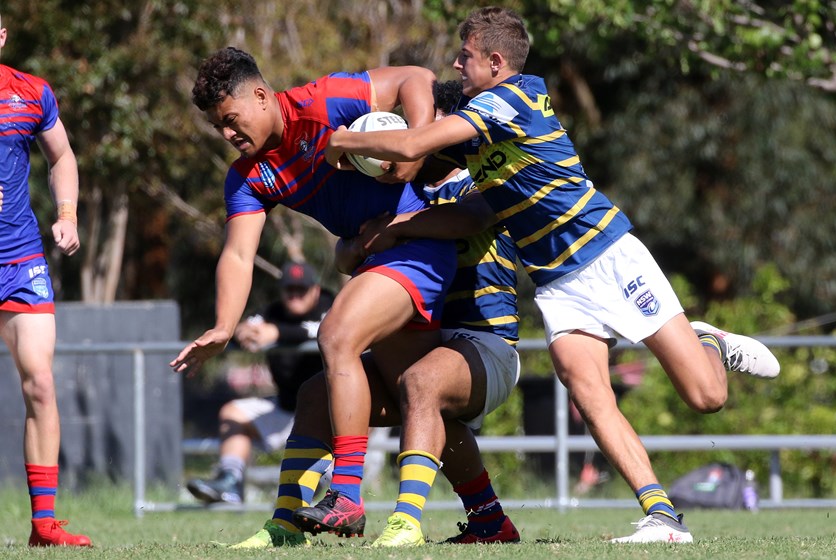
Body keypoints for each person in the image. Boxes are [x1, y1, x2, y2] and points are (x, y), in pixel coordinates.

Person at [324, 6, 781, 544]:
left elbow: (410, 145)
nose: (456, 64)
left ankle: (708, 343)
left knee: (706, 397)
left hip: (606, 255)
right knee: (588, 393)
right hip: (557, 284)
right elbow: (415, 160)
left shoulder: (512, 98)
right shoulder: (478, 127)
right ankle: (662, 517)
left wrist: (342, 141)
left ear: (497, 62)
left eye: (465, 56)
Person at [170, 47, 457, 537]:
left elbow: (415, 76)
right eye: (218, 127)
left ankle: (346, 496)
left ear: (262, 96)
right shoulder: (247, 177)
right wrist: (222, 326)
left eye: (231, 120)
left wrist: (415, 145)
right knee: (331, 395)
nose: (227, 135)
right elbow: (238, 255)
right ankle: (285, 526)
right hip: (373, 263)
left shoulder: (321, 102)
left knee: (336, 336)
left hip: (418, 247)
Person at [225, 82, 522, 548]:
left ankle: (405, 523)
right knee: (316, 394)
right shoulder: (401, 187)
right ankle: (287, 525)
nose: (413, 135)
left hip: (486, 346)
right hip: (428, 343)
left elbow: (469, 220)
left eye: (427, 127)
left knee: (422, 383)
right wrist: (355, 246)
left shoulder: (482, 179)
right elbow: (354, 247)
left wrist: (394, 228)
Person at [0, 14, 91, 547]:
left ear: (2, 37)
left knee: (40, 383)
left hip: (20, 259)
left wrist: (68, 214)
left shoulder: (31, 92)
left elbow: (62, 156)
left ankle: (44, 523)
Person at [186, 261, 334, 505]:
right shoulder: (273, 312)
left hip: (326, 413)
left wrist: (277, 333)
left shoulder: (333, 305)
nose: (295, 295)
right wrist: (243, 331)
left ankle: (324, 484)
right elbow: (248, 326)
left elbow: (327, 329)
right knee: (233, 413)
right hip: (286, 407)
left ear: (316, 290)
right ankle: (230, 482)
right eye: (290, 289)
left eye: (302, 289)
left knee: (324, 466)